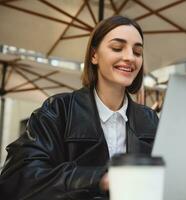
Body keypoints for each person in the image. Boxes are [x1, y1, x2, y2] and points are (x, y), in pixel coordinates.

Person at [0, 15, 159, 200]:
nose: (130, 57)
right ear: (94, 55)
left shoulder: (150, 120)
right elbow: (19, 178)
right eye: (117, 47)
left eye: (137, 52)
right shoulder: (57, 110)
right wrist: (100, 179)